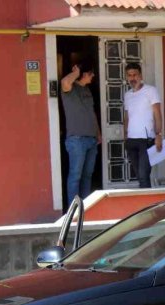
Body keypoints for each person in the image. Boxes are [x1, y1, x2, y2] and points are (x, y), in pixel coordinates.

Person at [61, 63, 102, 206]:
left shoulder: (88, 91)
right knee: (75, 176)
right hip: (76, 140)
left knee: (87, 176)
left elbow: (92, 113)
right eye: (91, 73)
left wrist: (98, 133)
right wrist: (75, 73)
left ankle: (85, 208)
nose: (94, 76)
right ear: (84, 74)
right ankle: (73, 211)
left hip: (91, 139)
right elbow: (65, 82)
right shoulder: (70, 89)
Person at [123, 62, 163, 188]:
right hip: (131, 141)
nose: (132, 78)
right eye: (129, 75)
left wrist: (158, 134)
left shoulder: (150, 91)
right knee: (139, 176)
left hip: (146, 140)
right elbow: (127, 117)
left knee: (144, 174)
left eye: (135, 75)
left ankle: (148, 206)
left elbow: (157, 113)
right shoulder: (127, 95)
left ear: (140, 75)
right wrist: (125, 136)